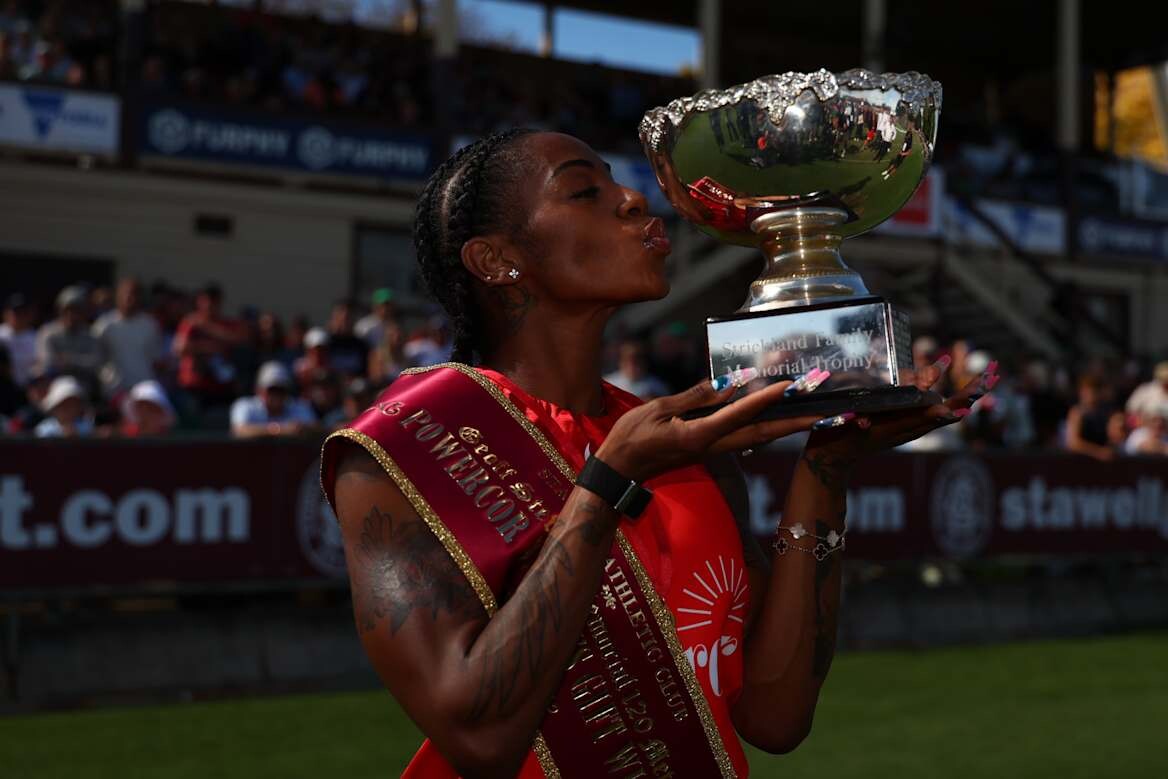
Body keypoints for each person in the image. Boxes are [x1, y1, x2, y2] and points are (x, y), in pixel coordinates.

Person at [319, 130, 994, 778]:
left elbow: (775, 716)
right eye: (584, 191)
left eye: (617, 182)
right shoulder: (401, 451)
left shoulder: (687, 442)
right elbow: (481, 738)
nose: (633, 199)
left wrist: (826, 467)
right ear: (496, 260)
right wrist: (609, 481)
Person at [173, 283, 247, 414]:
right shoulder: (191, 322)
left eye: (214, 301)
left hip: (220, 387)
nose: (209, 305)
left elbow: (238, 340)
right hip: (194, 386)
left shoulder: (226, 323)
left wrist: (207, 327)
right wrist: (208, 348)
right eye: (205, 300)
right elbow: (180, 348)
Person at [92, 278, 165, 398]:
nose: (129, 298)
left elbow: (157, 359)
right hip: (114, 391)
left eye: (134, 294)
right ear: (117, 296)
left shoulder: (150, 325)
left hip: (142, 390)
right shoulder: (104, 325)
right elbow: (96, 358)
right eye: (125, 293)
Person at [36, 285, 103, 395]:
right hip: (56, 387)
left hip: (84, 386)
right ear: (59, 311)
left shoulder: (91, 335)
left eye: (76, 311)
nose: (71, 315)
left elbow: (96, 363)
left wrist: (70, 360)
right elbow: (48, 363)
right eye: (66, 310)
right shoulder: (48, 333)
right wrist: (80, 361)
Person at [230, 360, 317, 438]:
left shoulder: (300, 407)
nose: (276, 395)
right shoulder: (244, 406)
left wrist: (302, 429)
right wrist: (278, 430)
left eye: (281, 390)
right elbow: (239, 431)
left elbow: (316, 428)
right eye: (272, 390)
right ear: (259, 390)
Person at [1064, 374, 1125, 461]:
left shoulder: (1108, 412)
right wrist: (1098, 452)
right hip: (1080, 462)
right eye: (1086, 391)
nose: (1090, 395)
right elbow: (1073, 443)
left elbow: (1116, 437)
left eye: (1094, 391)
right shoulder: (1076, 413)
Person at [604, 338, 670, 400]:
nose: (632, 364)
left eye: (637, 359)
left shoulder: (659, 387)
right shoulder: (606, 384)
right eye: (627, 359)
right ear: (620, 361)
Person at [0, 293, 37, 386]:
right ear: (6, 314)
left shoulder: (36, 337)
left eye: (23, 313)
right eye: (16, 313)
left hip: (29, 386)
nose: (20, 316)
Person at [325, 299, 369, 378]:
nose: (344, 323)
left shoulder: (361, 345)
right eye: (340, 318)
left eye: (347, 318)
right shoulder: (325, 343)